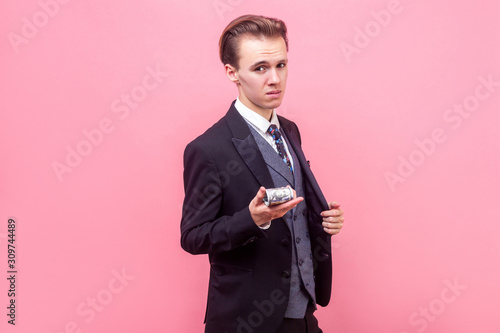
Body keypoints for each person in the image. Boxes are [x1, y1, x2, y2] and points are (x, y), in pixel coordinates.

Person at [180, 14, 344, 333]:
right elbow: (192, 236)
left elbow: (294, 207)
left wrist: (323, 221)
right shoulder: (208, 148)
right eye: (260, 68)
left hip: (303, 313)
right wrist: (251, 220)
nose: (275, 79)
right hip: (247, 320)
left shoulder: (290, 131)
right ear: (232, 73)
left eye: (281, 65)